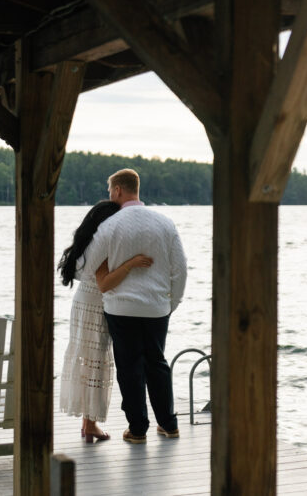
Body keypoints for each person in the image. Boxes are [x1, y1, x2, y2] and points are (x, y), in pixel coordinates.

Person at [91, 168, 187, 443]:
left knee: (129, 367)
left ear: (118, 190)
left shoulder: (109, 225)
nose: (110, 196)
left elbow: (89, 262)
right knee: (157, 363)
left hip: (121, 308)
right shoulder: (165, 223)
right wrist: (172, 303)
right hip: (157, 307)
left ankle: (137, 429)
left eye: (111, 191)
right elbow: (180, 270)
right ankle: (169, 424)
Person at [58, 200, 153, 442]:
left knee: (88, 360)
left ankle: (87, 423)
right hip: (96, 305)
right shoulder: (102, 245)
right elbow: (105, 282)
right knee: (96, 362)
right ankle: (90, 425)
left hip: (83, 302)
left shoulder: (87, 241)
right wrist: (131, 264)